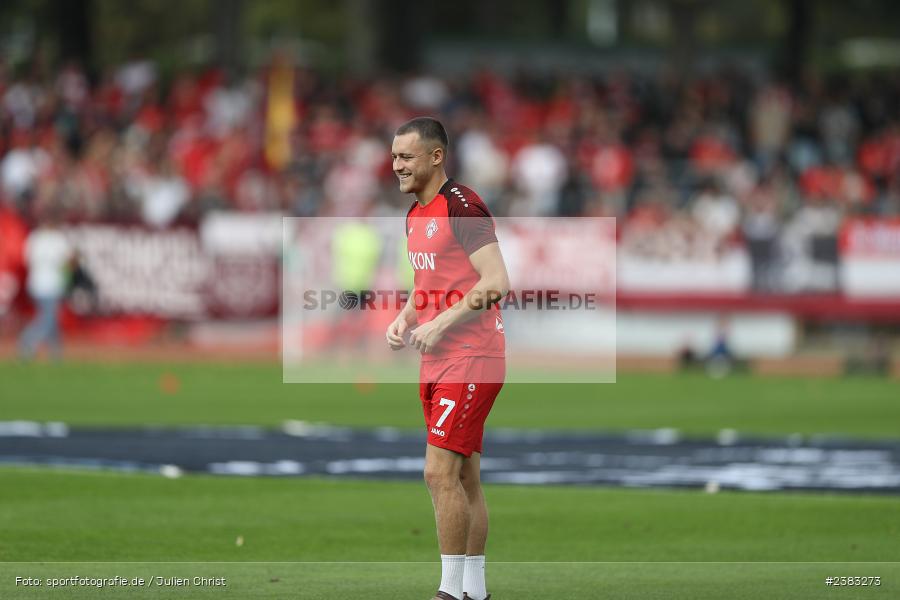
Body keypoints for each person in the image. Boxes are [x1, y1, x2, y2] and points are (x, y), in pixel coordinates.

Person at [386, 117, 509, 600]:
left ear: (436, 157)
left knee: (437, 472)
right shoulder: (416, 214)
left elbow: (497, 281)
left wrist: (440, 323)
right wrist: (406, 317)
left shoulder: (463, 205)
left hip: (472, 355)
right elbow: (429, 286)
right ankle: (475, 592)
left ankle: (450, 592)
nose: (397, 165)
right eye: (394, 156)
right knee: (464, 478)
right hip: (439, 357)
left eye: (406, 156)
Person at [18, 212, 74, 360]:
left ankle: (56, 353)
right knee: (48, 319)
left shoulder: (34, 237)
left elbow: (26, 259)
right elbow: (69, 261)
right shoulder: (57, 239)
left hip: (35, 284)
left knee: (50, 319)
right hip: (51, 285)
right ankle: (27, 341)